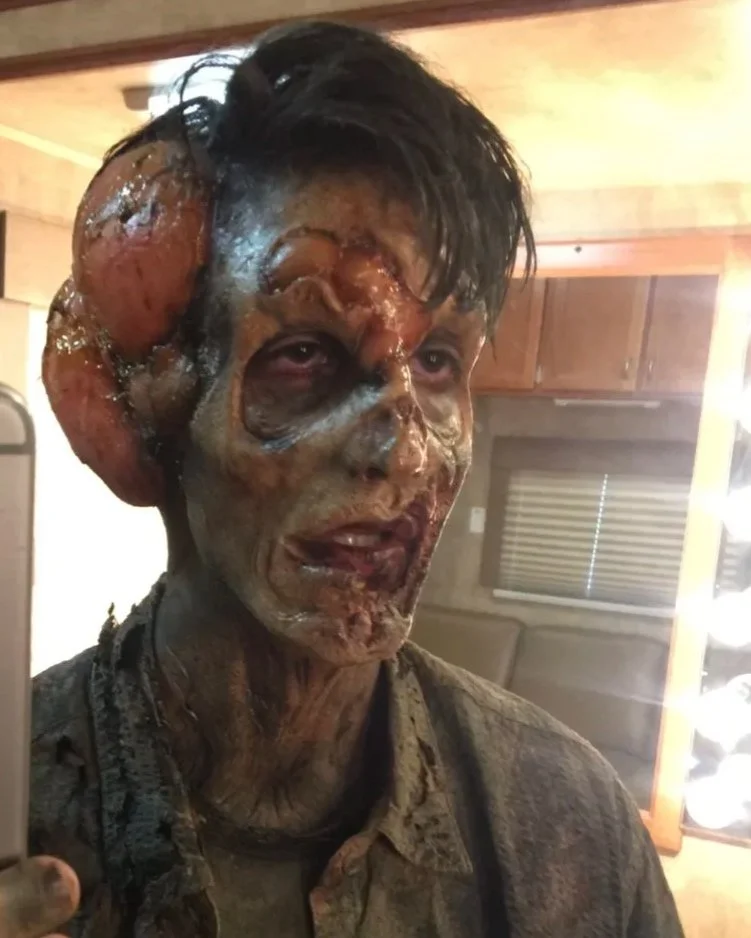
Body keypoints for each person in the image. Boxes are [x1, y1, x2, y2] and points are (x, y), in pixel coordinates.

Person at [0, 21, 684, 938]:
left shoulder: (569, 831)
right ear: (150, 411)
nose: (407, 454)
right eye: (305, 355)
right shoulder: (20, 800)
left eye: (437, 361)